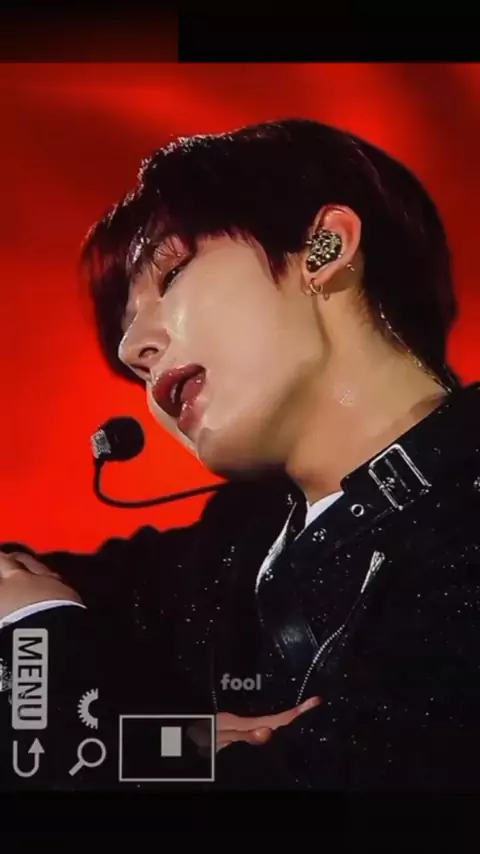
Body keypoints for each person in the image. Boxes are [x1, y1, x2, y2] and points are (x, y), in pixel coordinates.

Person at [1, 117, 480, 791]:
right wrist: (169, 746)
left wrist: (33, 644)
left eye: (170, 271)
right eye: (126, 328)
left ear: (323, 247)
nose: (132, 348)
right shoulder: (235, 548)